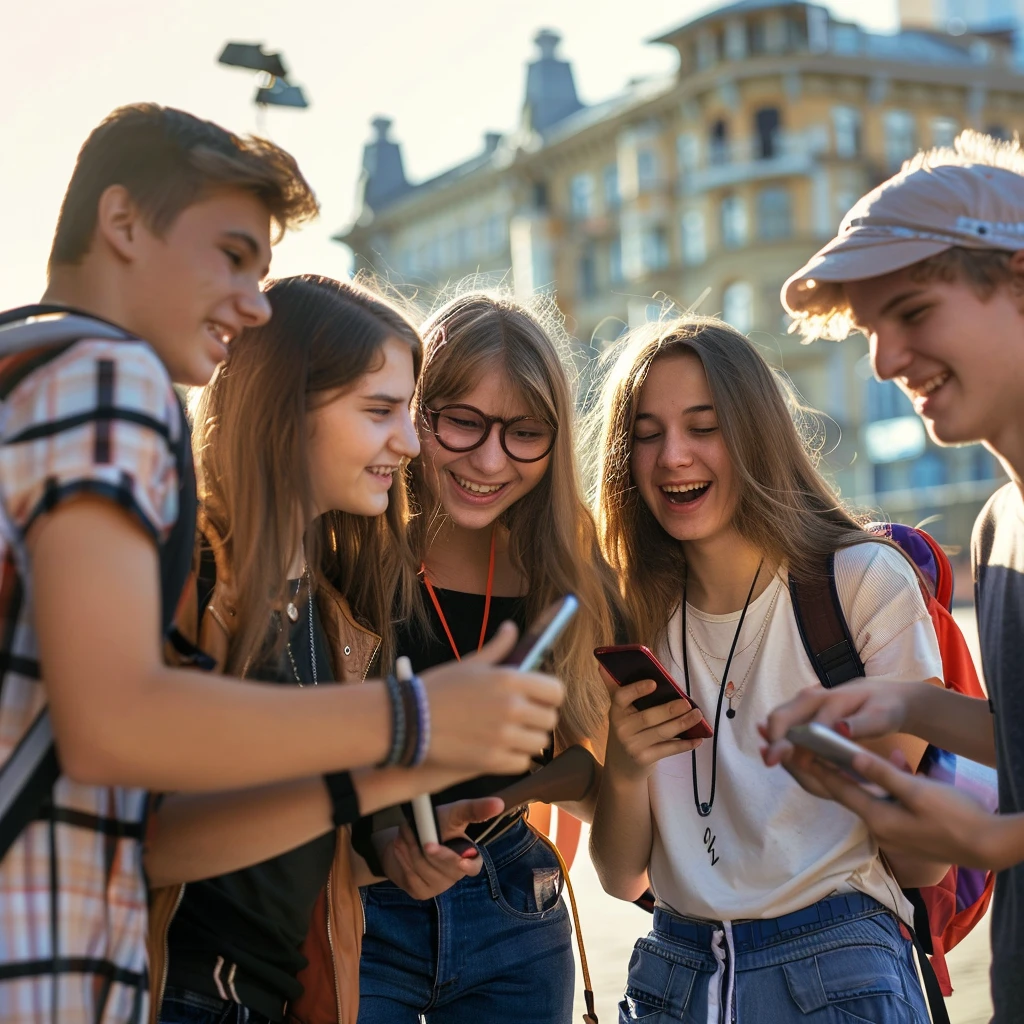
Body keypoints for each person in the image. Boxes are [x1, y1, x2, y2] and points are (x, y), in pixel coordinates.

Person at [0, 105, 563, 1024]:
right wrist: (415, 720)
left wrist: (386, 781)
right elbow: (114, 723)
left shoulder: (27, 361)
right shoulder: (105, 373)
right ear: (122, 222)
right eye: (230, 255)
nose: (252, 303)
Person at [150, 274, 521, 1024]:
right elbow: (149, 847)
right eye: (379, 410)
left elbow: (285, 847)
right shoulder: (182, 577)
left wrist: (391, 841)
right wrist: (387, 750)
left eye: (408, 413)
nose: (410, 443)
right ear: (281, 408)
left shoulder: (332, 615)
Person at [589, 315, 948, 1023]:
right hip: (674, 975)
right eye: (648, 434)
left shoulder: (859, 582)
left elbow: (926, 865)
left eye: (704, 425)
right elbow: (618, 874)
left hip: (836, 968)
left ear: (756, 431)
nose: (672, 458)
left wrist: (855, 767)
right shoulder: (632, 616)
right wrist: (627, 766)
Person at [762, 130, 1024, 1023]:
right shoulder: (1000, 524)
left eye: (912, 313)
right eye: (874, 331)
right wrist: (903, 708)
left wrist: (989, 838)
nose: (883, 360)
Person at [356, 292, 619, 1024]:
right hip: (364, 904)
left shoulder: (563, 561)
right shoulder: (358, 542)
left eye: (525, 433)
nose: (490, 459)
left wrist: (504, 796)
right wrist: (384, 832)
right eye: (463, 422)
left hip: (514, 897)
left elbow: (586, 762)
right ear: (417, 410)